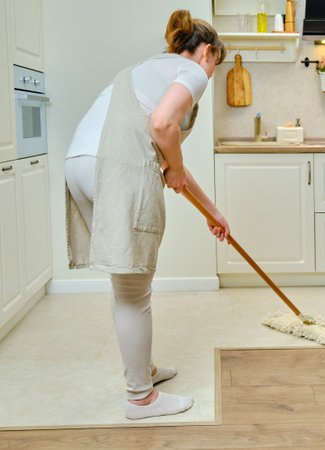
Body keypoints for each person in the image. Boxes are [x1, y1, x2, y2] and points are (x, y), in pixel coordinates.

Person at [65, 9, 229, 420]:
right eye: (215, 65)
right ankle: (141, 398)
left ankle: (145, 371)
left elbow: (169, 157)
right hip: (116, 171)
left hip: (81, 167)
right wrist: (171, 166)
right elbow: (162, 127)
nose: (210, 75)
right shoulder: (189, 72)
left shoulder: (145, 70)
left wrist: (212, 212)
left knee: (127, 288)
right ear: (207, 52)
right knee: (134, 292)